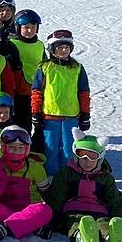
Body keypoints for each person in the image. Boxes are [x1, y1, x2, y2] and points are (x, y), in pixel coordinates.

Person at [45, 132, 122, 242]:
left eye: (92, 157)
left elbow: (115, 198)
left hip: (100, 211)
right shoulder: (66, 173)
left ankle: (113, 240)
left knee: (104, 224)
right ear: (75, 156)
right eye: (82, 156)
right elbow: (57, 195)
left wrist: (118, 217)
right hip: (74, 211)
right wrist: (55, 218)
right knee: (76, 224)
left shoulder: (105, 177)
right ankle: (85, 239)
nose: (87, 161)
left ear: (99, 159)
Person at [32, 30, 91, 176]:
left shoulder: (77, 68)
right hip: (50, 116)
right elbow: (36, 92)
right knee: (50, 147)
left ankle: (66, 176)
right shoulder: (44, 67)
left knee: (68, 148)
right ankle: (51, 175)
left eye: (67, 47)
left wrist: (85, 114)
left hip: (71, 116)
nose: (64, 51)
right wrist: (36, 112)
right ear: (52, 49)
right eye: (59, 48)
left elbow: (83, 92)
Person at [0, 126, 53, 242]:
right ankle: (30, 225)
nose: (16, 151)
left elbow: (46, 193)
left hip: (30, 209)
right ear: (3, 147)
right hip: (6, 209)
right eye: (12, 148)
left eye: (20, 148)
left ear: (27, 149)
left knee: (45, 210)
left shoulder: (35, 167)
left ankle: (5, 228)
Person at [8, 9, 46, 135]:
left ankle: (34, 147)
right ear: (18, 28)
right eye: (26, 27)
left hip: (36, 89)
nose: (30, 31)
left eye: (33, 27)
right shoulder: (12, 44)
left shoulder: (40, 45)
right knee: (20, 122)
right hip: (19, 91)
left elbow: (45, 65)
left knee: (37, 120)